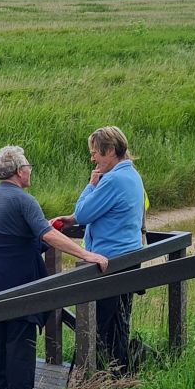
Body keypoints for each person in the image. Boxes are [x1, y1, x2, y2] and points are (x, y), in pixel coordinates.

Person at [0, 146, 108, 389]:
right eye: (29, 166)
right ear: (20, 171)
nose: (30, 171)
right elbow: (48, 234)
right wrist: (85, 254)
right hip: (20, 284)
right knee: (21, 345)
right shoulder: (24, 201)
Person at [73, 126, 146, 372]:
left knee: (101, 326)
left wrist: (91, 185)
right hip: (128, 255)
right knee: (119, 321)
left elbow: (83, 214)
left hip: (110, 260)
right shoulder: (132, 175)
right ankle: (118, 371)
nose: (93, 158)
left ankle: (101, 375)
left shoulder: (113, 179)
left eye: (96, 153)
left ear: (111, 151)